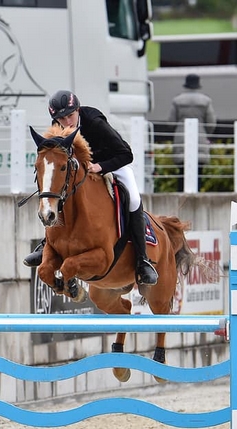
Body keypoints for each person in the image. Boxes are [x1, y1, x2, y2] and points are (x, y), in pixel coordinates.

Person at [24, 90, 158, 286]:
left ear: (77, 110)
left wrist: (100, 166)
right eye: (61, 118)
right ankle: (47, 244)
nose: (67, 122)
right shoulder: (58, 127)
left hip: (111, 163)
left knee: (134, 199)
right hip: (80, 170)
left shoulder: (95, 123)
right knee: (60, 193)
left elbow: (126, 154)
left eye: (70, 115)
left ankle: (142, 260)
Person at [167, 74, 217, 187]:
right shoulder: (206, 100)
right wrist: (205, 133)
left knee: (182, 173)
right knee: (198, 174)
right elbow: (211, 123)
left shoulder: (177, 100)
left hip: (181, 140)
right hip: (200, 139)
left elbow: (171, 122)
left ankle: (182, 198)